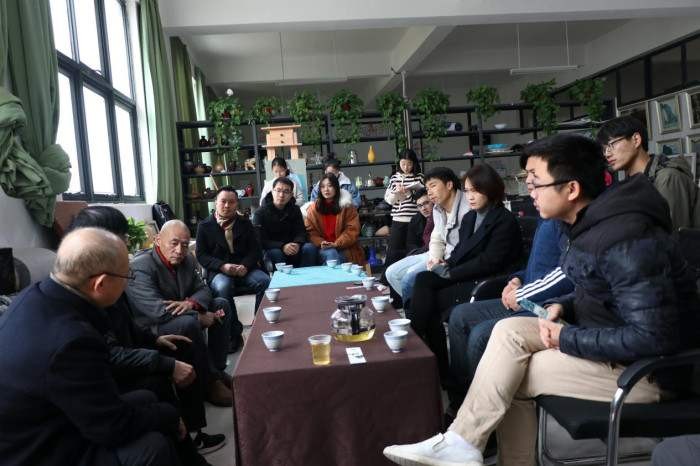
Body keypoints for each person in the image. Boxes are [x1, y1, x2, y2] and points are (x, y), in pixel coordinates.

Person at [384, 133, 700, 466]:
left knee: (511, 374)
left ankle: (472, 444)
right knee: (507, 331)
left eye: (535, 183)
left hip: (648, 374)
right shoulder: (589, 223)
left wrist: (567, 337)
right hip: (607, 343)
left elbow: (654, 335)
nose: (529, 192)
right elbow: (603, 289)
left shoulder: (625, 236)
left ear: (571, 189)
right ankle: (463, 441)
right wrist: (566, 304)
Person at [0, 228, 183, 466]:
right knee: (152, 447)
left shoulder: (37, 294)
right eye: (127, 276)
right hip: (38, 448)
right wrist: (170, 415)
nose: (128, 282)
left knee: (147, 397)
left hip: (51, 415)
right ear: (101, 284)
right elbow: (112, 428)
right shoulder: (72, 341)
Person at [67, 206, 225, 458]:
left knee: (204, 319)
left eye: (185, 245)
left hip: (146, 335)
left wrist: (185, 310)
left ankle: (201, 409)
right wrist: (168, 358)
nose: (127, 248)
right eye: (123, 240)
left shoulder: (103, 282)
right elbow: (152, 315)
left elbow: (203, 290)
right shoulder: (129, 272)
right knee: (186, 331)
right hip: (128, 352)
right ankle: (204, 396)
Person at [446, 154, 573, 411]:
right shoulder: (547, 217)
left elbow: (568, 273)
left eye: (536, 180)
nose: (529, 186)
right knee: (460, 315)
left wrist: (523, 292)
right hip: (528, 298)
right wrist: (517, 279)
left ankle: (480, 410)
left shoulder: (568, 222)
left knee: (481, 335)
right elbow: (538, 268)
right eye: (528, 179)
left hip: (546, 307)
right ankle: (461, 398)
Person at [408, 164, 523, 384]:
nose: (469, 196)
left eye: (475, 191)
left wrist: (450, 273)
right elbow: (461, 252)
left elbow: (490, 262)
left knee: (428, 298)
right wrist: (445, 264)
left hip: (488, 283)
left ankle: (420, 352)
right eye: (467, 190)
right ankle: (436, 368)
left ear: (490, 189)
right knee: (424, 281)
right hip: (467, 275)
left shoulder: (504, 220)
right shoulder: (470, 218)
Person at [127, 220, 234, 407]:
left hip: (181, 312)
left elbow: (204, 289)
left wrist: (191, 303)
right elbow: (157, 311)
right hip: (154, 326)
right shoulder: (141, 266)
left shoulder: (188, 259)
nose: (179, 250)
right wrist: (198, 316)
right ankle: (209, 382)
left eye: (185, 245)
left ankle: (217, 370)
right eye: (174, 243)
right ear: (157, 240)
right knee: (189, 324)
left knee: (221, 306)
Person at [196, 186, 271, 352]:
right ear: (216, 202)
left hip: (244, 269)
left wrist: (245, 265)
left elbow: (255, 250)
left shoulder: (245, 223)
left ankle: (259, 325)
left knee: (265, 281)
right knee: (223, 287)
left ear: (237, 204)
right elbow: (201, 255)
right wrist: (222, 266)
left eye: (231, 202)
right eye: (223, 201)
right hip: (219, 270)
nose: (227, 206)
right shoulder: (205, 226)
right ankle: (233, 332)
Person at [598, 115, 698, 229]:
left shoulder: (667, 178)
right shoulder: (629, 184)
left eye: (611, 145)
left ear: (636, 140)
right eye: (604, 149)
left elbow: (672, 234)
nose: (607, 154)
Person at [253, 177, 318, 267]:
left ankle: (306, 275)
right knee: (276, 253)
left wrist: (297, 243)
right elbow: (260, 240)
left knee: (309, 248)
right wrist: (282, 246)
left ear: (291, 194)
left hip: (293, 247)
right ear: (272, 191)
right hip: (273, 248)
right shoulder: (260, 213)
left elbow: (301, 232)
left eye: (286, 192)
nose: (281, 195)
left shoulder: (295, 209)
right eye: (278, 190)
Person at [384, 188, 434, 307]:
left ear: (433, 201)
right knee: (390, 272)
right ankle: (412, 305)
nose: (423, 208)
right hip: (420, 253)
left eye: (426, 203)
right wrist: (418, 252)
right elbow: (411, 245)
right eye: (420, 206)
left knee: (410, 274)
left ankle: (417, 306)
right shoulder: (416, 219)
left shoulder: (439, 214)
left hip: (435, 253)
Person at [303, 173, 365, 265]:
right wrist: (321, 243)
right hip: (322, 248)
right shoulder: (313, 209)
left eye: (330, 186)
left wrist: (336, 244)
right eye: (323, 187)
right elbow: (310, 232)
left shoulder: (347, 206)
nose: (326, 189)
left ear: (336, 187)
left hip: (344, 248)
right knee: (331, 253)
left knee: (334, 256)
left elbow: (352, 230)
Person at [383, 149, 425, 266]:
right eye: (403, 164)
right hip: (398, 219)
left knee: (414, 251)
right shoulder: (394, 178)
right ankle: (388, 276)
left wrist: (408, 193)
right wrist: (396, 193)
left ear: (414, 163)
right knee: (393, 252)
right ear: (399, 163)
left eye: (409, 164)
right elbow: (389, 201)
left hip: (415, 219)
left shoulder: (419, 177)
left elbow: (424, 199)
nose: (406, 167)